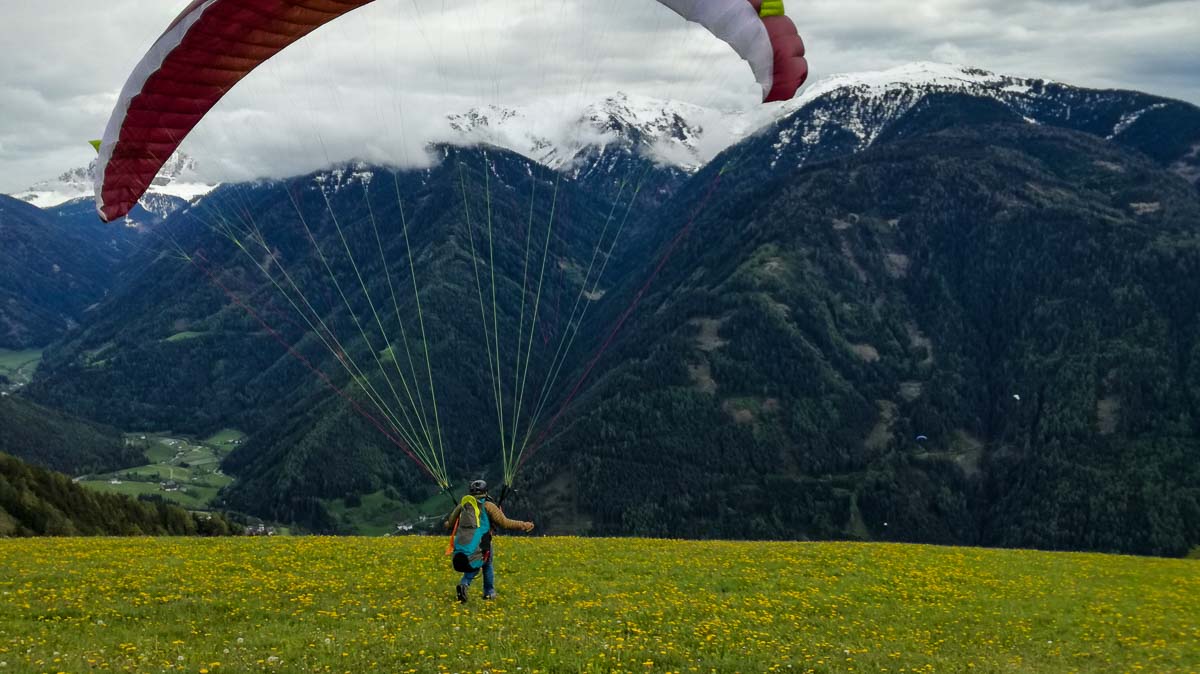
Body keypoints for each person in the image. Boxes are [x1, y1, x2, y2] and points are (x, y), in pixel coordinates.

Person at [445, 479, 534, 603]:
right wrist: (524, 525)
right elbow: (505, 523)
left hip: (464, 543)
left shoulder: (462, 505)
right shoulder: (488, 506)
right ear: (485, 492)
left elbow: (450, 524)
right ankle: (488, 592)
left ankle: (466, 585)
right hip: (482, 542)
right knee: (486, 564)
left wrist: (448, 523)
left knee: (477, 563)